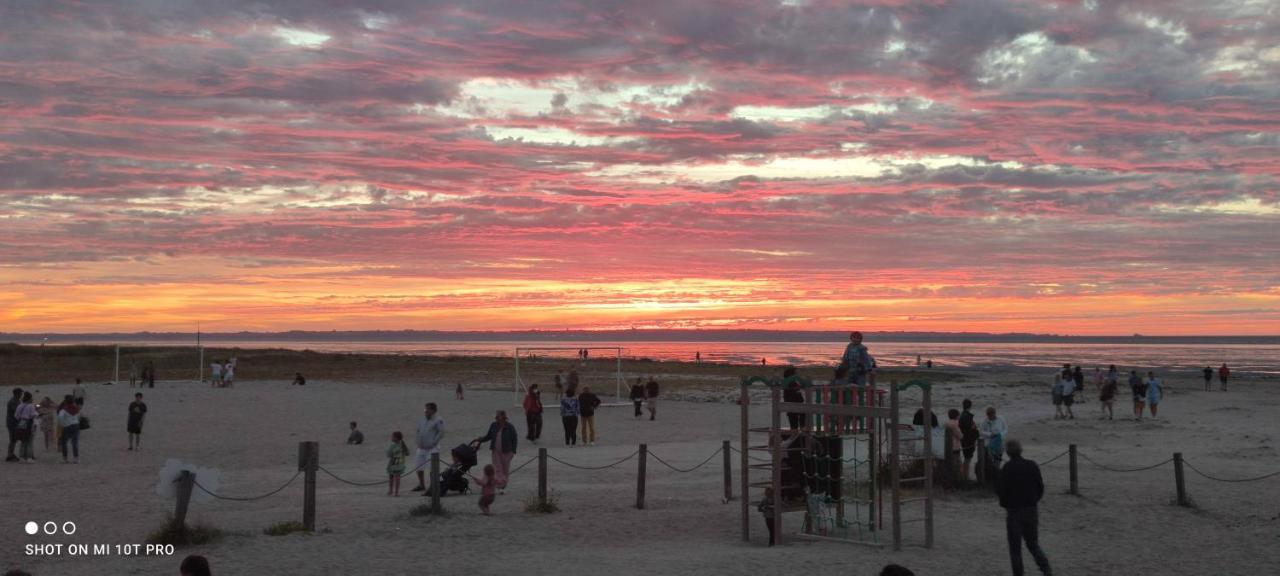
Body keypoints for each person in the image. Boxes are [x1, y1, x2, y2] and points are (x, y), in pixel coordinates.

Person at [996, 439, 1052, 576]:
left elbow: (1001, 491)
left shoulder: (1007, 468)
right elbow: (1040, 487)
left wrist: (1005, 504)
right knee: (1033, 543)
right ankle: (1046, 568)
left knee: (1015, 549)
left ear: (1008, 452)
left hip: (1014, 511)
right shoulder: (1032, 465)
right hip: (1031, 509)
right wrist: (1034, 500)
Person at [472, 410, 517, 490]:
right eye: (496, 416)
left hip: (507, 451)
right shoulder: (493, 425)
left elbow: (514, 439)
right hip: (495, 450)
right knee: (497, 468)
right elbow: (488, 436)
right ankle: (499, 484)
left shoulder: (510, 427)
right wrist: (480, 440)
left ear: (503, 417)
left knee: (505, 469)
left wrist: (513, 451)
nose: (496, 418)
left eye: (498, 416)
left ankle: (503, 484)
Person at [413, 403, 444, 492]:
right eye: (425, 409)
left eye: (428, 409)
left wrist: (434, 442)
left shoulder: (438, 420)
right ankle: (421, 484)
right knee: (418, 466)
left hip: (432, 448)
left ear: (433, 411)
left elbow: (441, 432)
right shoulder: (422, 419)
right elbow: (418, 430)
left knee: (432, 467)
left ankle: (433, 486)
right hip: (421, 447)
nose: (426, 411)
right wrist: (417, 440)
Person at [57, 395, 82, 463]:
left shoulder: (64, 410)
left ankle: (65, 458)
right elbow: (79, 416)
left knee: (64, 443)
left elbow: (60, 417)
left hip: (66, 426)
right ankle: (76, 458)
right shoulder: (76, 408)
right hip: (75, 425)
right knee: (75, 442)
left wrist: (62, 424)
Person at [958, 399, 979, 482]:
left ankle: (965, 476)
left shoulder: (962, 416)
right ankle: (965, 477)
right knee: (968, 458)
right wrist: (976, 434)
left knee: (967, 458)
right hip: (968, 440)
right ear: (970, 406)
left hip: (964, 440)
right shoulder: (967, 416)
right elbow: (971, 430)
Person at [14, 392, 37, 462]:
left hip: (21, 424)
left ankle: (21, 457)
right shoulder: (31, 406)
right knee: (30, 441)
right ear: (30, 398)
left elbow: (16, 416)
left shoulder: (20, 406)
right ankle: (29, 457)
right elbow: (33, 415)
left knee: (23, 441)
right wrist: (38, 413)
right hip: (29, 424)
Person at [386, 431, 409, 496]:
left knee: (391, 477)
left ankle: (391, 491)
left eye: (392, 436)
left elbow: (388, 454)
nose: (391, 437)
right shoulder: (403, 444)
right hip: (400, 463)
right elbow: (408, 453)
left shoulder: (392, 445)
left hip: (393, 463)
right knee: (397, 477)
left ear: (396, 438)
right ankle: (396, 492)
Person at [945, 409, 963, 478]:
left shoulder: (947, 423)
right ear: (956, 416)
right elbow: (960, 436)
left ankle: (951, 476)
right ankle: (957, 478)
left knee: (950, 463)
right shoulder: (955, 424)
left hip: (947, 446)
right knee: (957, 463)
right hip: (955, 446)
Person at [5, 387, 21, 462]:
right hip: (12, 423)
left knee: (14, 439)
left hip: (15, 423)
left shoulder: (17, 401)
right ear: (17, 394)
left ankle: (11, 453)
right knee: (12, 439)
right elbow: (17, 411)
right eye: (20, 393)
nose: (21, 394)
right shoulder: (12, 402)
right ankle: (10, 454)